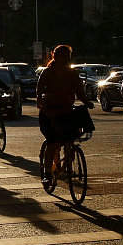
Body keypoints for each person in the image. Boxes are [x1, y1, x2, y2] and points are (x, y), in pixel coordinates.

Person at [36, 46, 93, 185]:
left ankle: (68, 163)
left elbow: (80, 92)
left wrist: (87, 102)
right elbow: (39, 91)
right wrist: (43, 102)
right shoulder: (47, 73)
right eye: (61, 56)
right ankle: (47, 173)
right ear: (55, 57)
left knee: (71, 139)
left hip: (66, 111)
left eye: (66, 57)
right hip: (49, 113)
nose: (64, 59)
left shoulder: (72, 73)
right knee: (52, 142)